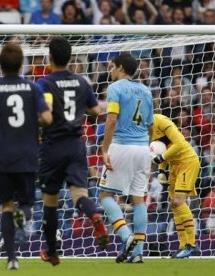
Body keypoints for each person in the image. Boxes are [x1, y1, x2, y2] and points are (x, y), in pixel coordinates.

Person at [0, 42, 52, 270]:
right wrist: (30, 123)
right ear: (21, 64)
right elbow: (47, 119)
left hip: (1, 156)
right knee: (26, 203)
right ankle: (23, 215)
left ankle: (11, 259)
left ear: (0, 64)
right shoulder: (32, 88)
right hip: (27, 154)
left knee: (6, 206)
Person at [36, 37, 109, 266]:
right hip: (77, 145)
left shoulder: (45, 83)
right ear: (70, 57)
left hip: (53, 145)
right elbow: (97, 110)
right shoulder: (81, 82)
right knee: (79, 195)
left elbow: (44, 114)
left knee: (50, 201)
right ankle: (94, 214)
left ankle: (52, 252)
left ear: (50, 57)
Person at [98, 53, 154, 263]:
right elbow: (150, 125)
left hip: (122, 146)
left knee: (105, 196)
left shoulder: (116, 88)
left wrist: (104, 150)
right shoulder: (146, 91)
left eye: (112, 67)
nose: (110, 70)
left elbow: (111, 120)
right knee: (138, 199)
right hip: (142, 149)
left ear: (121, 68)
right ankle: (138, 253)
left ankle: (126, 236)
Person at [151, 113, 200, 258]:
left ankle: (191, 244)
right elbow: (163, 149)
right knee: (174, 204)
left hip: (187, 161)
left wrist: (162, 158)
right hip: (173, 165)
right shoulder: (145, 129)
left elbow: (178, 143)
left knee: (179, 201)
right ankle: (182, 245)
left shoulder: (160, 121)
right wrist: (161, 170)